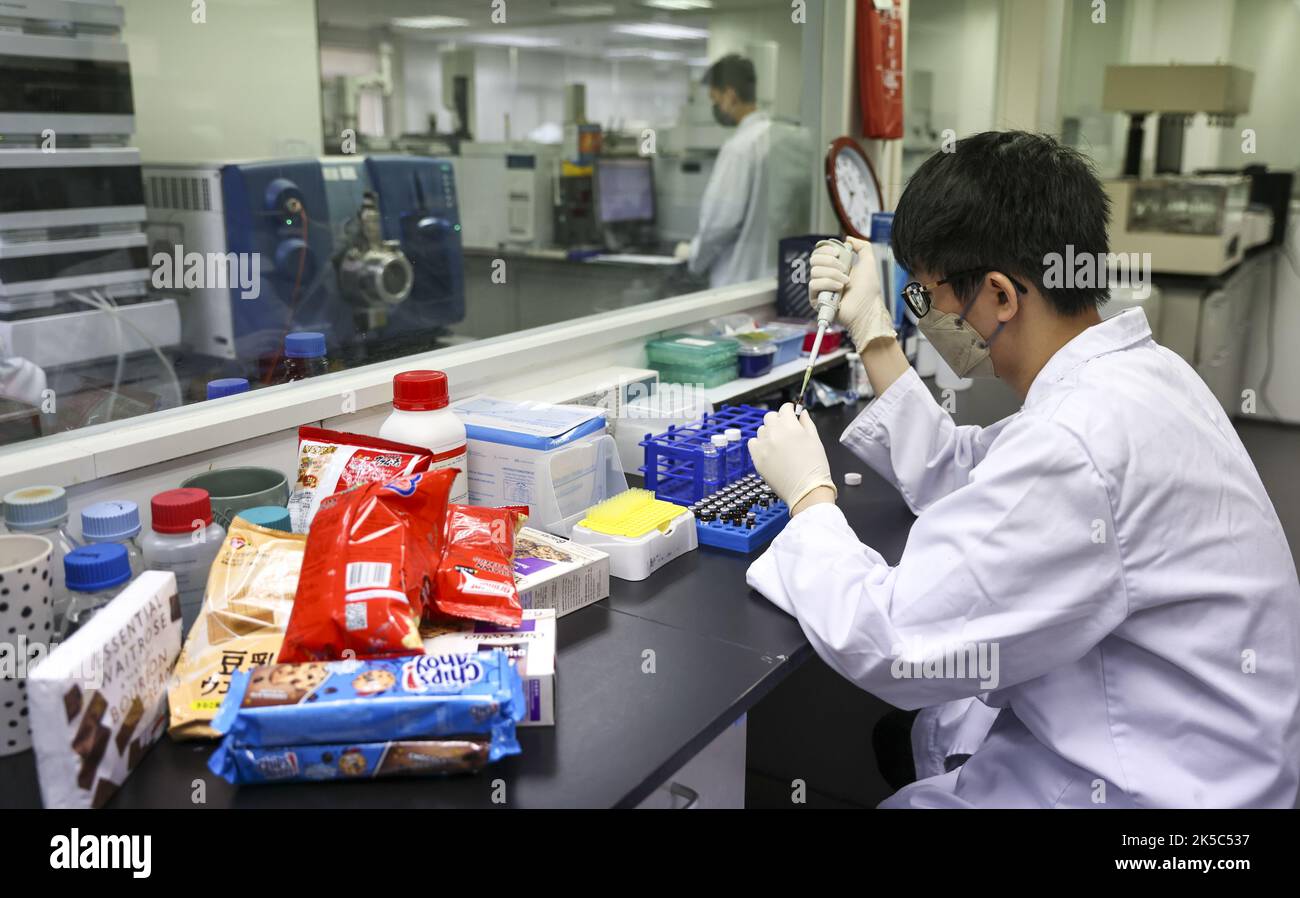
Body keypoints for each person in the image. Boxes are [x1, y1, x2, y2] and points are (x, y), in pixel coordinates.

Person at [745, 131, 1300, 808]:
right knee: (935, 734)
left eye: (926, 298)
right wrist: (872, 329)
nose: (930, 319)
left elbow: (894, 641)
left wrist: (809, 499)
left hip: (1161, 799)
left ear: (1002, 297)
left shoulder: (1080, 441)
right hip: (1190, 745)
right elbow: (975, 475)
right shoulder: (1134, 375)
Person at [675, 55, 809, 288]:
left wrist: (693, 256)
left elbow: (719, 224)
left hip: (737, 286)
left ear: (729, 95)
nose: (715, 108)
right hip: (780, 281)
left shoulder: (740, 148)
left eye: (714, 100)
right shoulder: (789, 138)